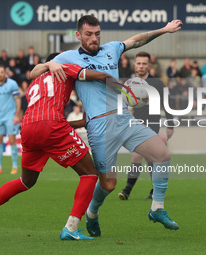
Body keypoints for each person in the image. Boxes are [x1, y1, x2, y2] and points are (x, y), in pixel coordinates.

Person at [33, 15, 182, 236]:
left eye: (97, 34)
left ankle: (157, 208)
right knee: (108, 185)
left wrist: (164, 29)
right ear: (78, 35)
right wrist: (49, 63)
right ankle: (92, 213)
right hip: (100, 128)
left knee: (163, 154)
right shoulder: (67, 57)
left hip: (124, 120)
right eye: (89, 34)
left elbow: (137, 40)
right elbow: (34, 73)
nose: (94, 38)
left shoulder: (111, 49)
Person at [0, 53, 119, 241]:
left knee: (25, 181)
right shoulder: (66, 68)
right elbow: (99, 76)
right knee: (90, 174)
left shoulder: (35, 82)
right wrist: (118, 85)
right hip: (51, 126)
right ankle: (71, 227)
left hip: (28, 127)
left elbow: (38, 87)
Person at [118, 51, 175, 200]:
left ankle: (127, 191)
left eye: (144, 63)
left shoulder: (157, 83)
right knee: (150, 159)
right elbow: (124, 104)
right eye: (138, 63)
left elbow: (166, 104)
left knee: (138, 156)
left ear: (149, 65)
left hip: (152, 124)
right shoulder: (129, 84)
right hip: (136, 124)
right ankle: (154, 190)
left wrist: (170, 125)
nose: (141, 66)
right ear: (134, 65)